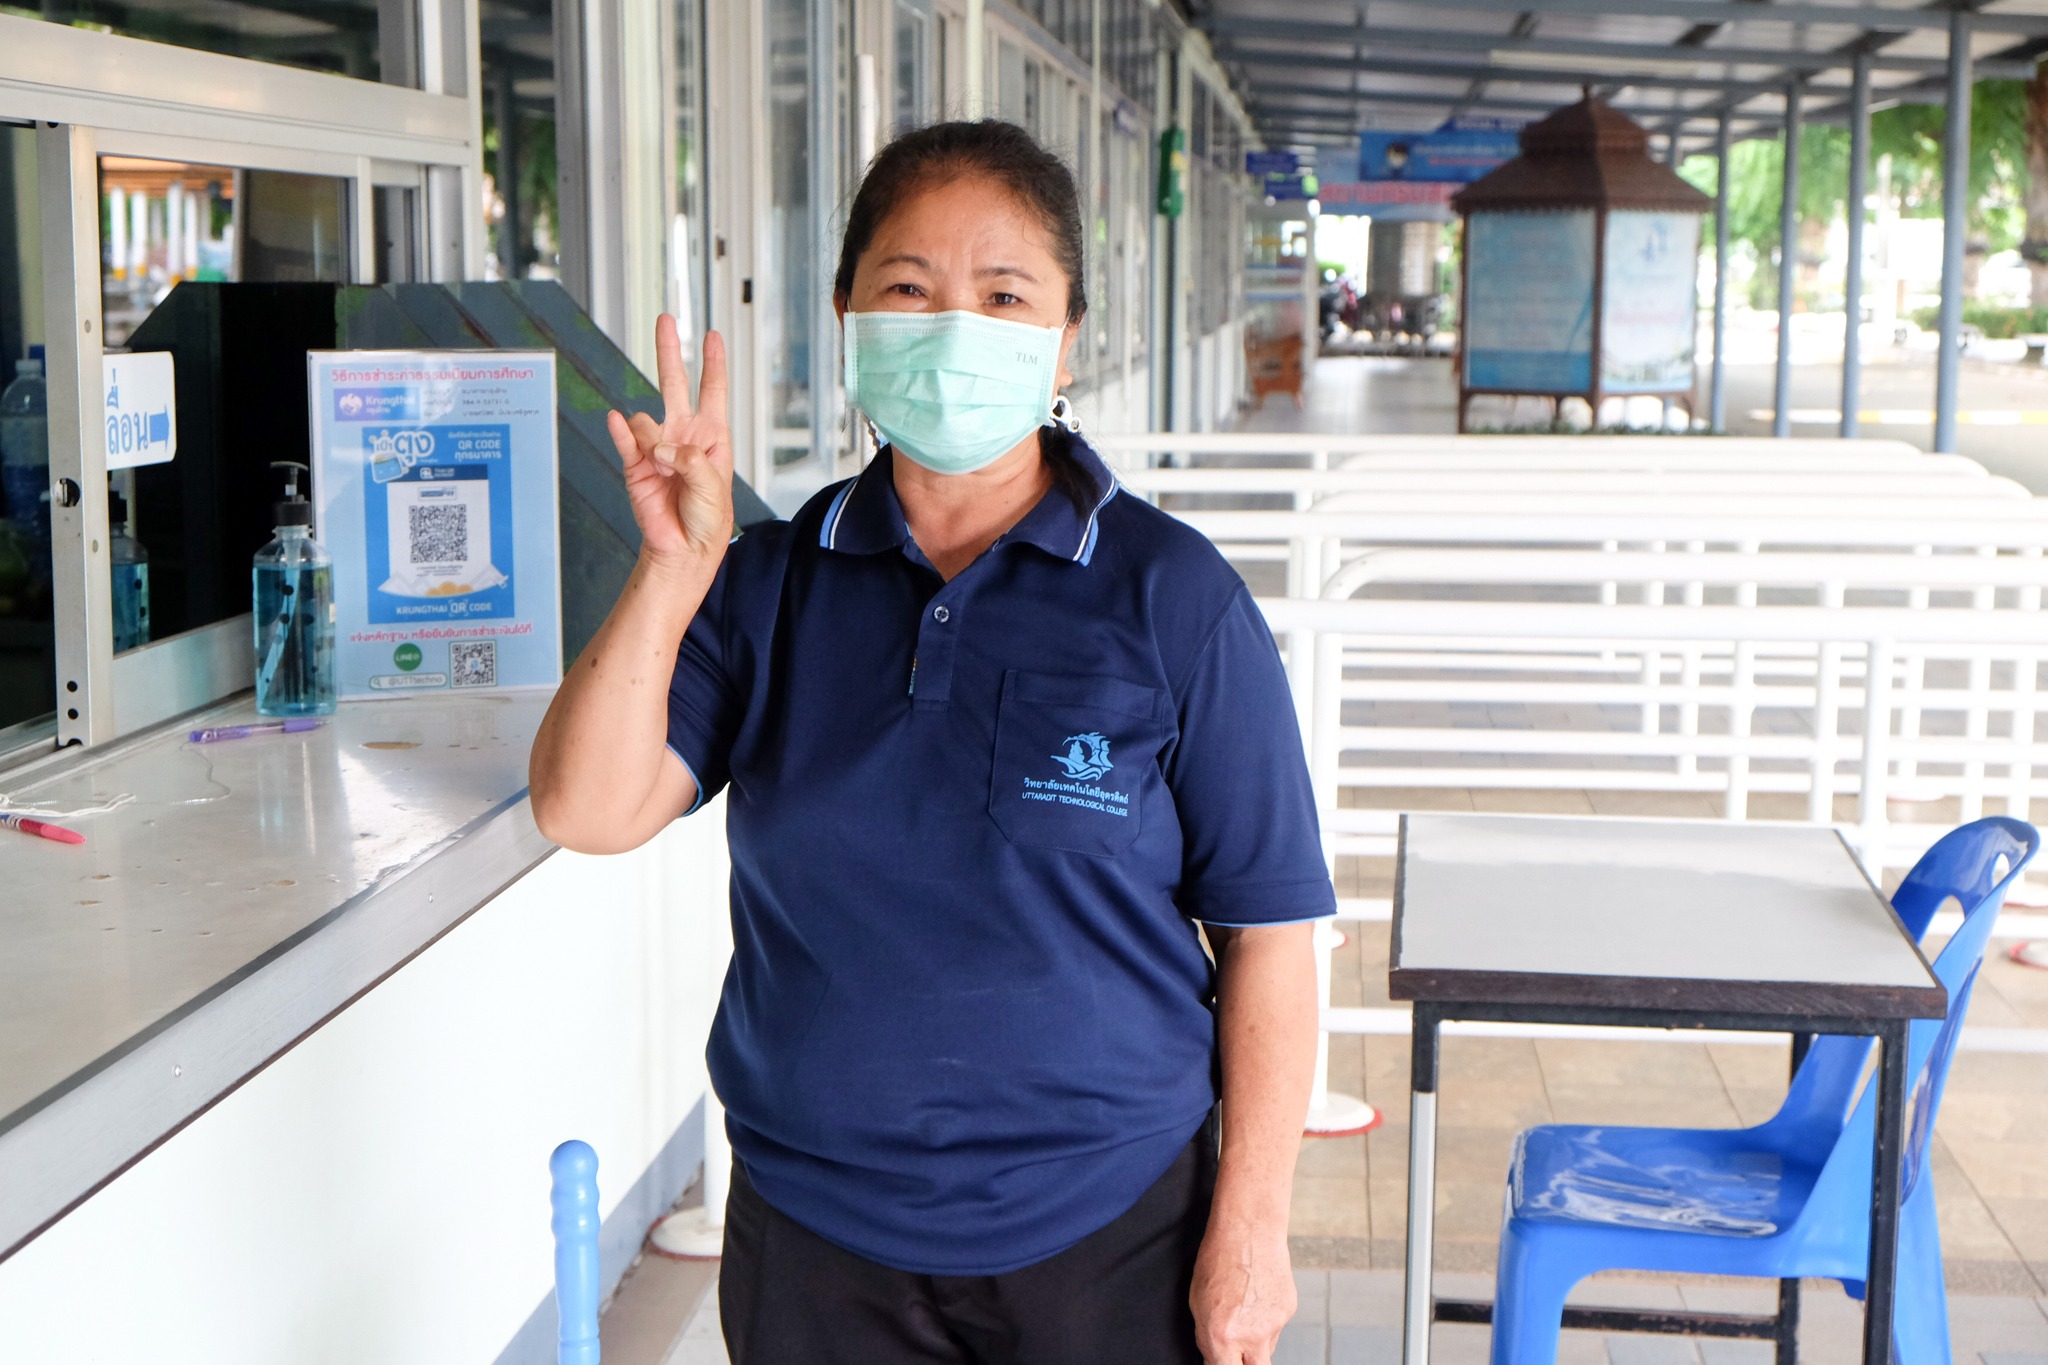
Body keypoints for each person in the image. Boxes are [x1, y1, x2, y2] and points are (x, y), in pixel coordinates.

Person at [529, 119, 1333, 1365]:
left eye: (1004, 294)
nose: (955, 326)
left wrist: (1253, 1229)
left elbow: (1270, 934)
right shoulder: (766, 586)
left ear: (1066, 337)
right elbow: (586, 810)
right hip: (814, 1238)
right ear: (847, 310)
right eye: (909, 287)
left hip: (1110, 1236)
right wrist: (672, 568)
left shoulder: (1173, 600)